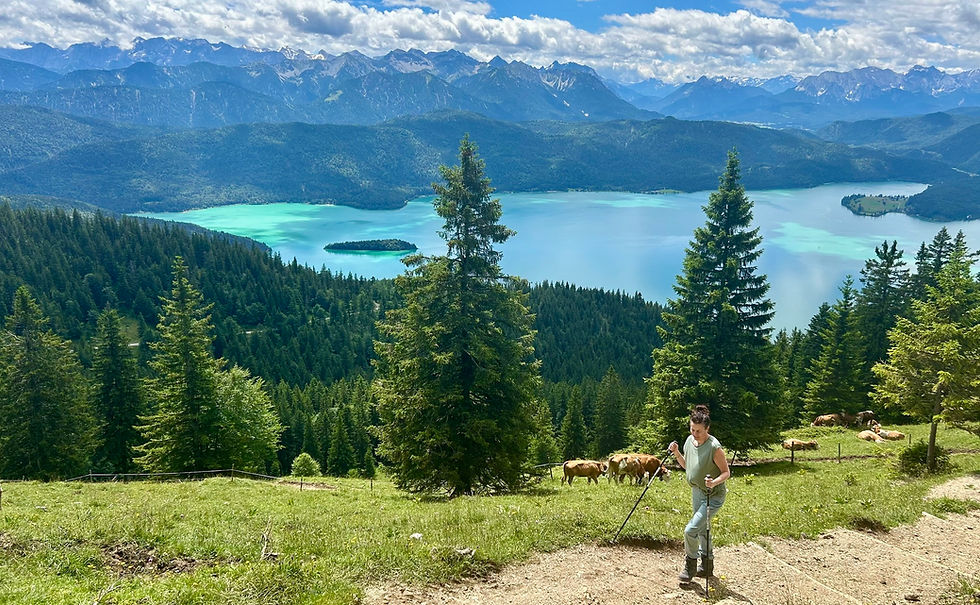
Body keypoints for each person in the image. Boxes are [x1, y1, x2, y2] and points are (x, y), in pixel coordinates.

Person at [668, 404, 731, 583]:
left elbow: (726, 472)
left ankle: (690, 565)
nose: (694, 434)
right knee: (702, 529)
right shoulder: (690, 441)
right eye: (692, 429)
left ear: (707, 428)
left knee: (691, 530)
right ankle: (707, 566)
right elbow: (688, 466)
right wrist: (676, 453)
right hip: (697, 492)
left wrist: (714, 482)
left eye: (698, 431)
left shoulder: (714, 446)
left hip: (713, 495)